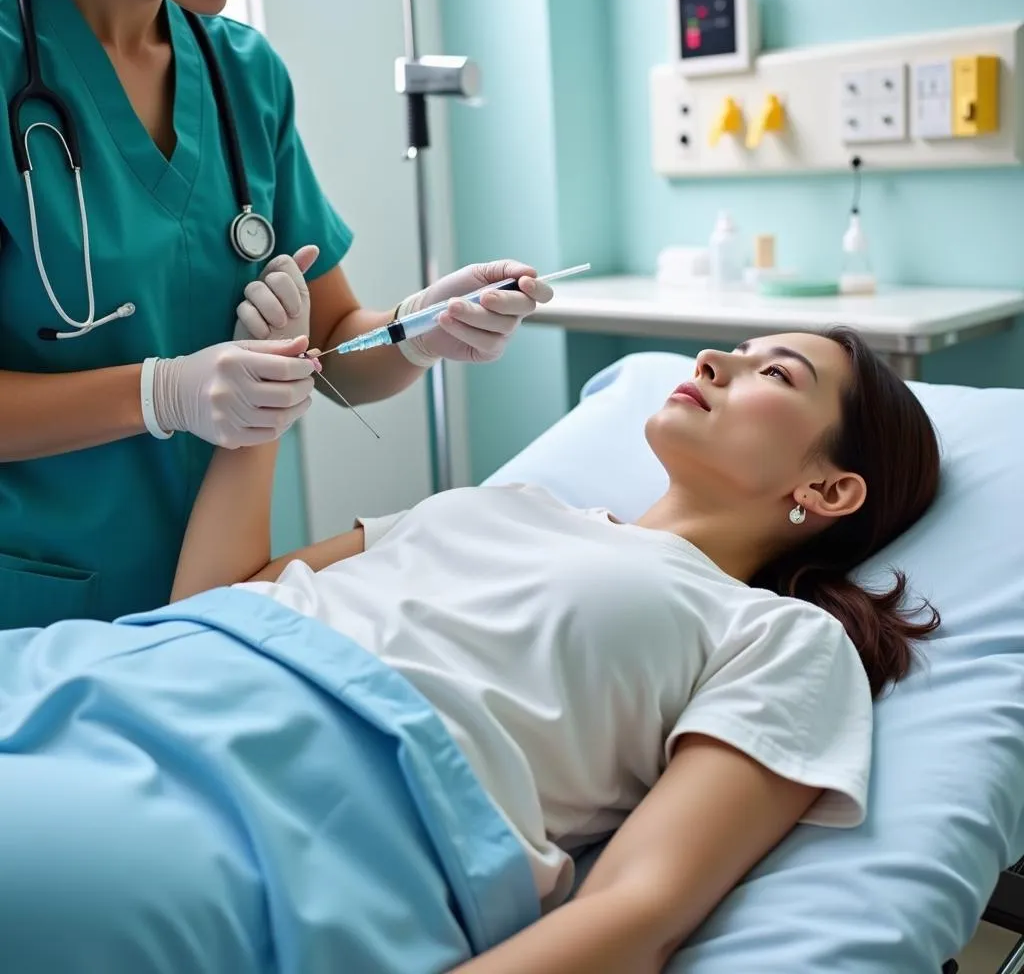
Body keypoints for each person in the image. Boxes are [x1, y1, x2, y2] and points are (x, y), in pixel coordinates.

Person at [0, 328, 941, 973]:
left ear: (830, 490)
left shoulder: (780, 638)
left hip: (290, 794)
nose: (716, 359)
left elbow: (640, 908)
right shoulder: (501, 504)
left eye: (777, 375)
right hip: (114, 670)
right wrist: (260, 405)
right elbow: (214, 598)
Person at [0, 0, 553, 627]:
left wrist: (421, 328)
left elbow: (331, 350)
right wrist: (162, 393)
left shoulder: (242, 72)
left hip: (220, 600)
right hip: (33, 608)